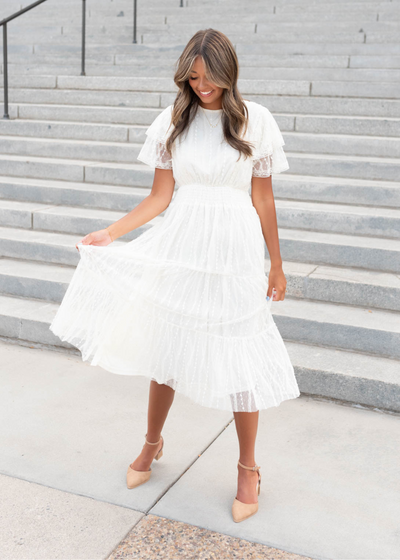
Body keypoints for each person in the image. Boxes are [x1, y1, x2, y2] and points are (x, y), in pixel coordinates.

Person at [49, 28, 300, 523]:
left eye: (209, 78)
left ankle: (248, 468)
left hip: (234, 250)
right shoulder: (172, 121)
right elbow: (160, 196)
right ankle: (151, 442)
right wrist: (112, 231)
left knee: (239, 351)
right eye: (193, 77)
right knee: (166, 348)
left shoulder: (256, 121)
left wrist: (277, 261)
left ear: (228, 73)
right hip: (182, 242)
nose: (201, 86)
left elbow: (264, 197)